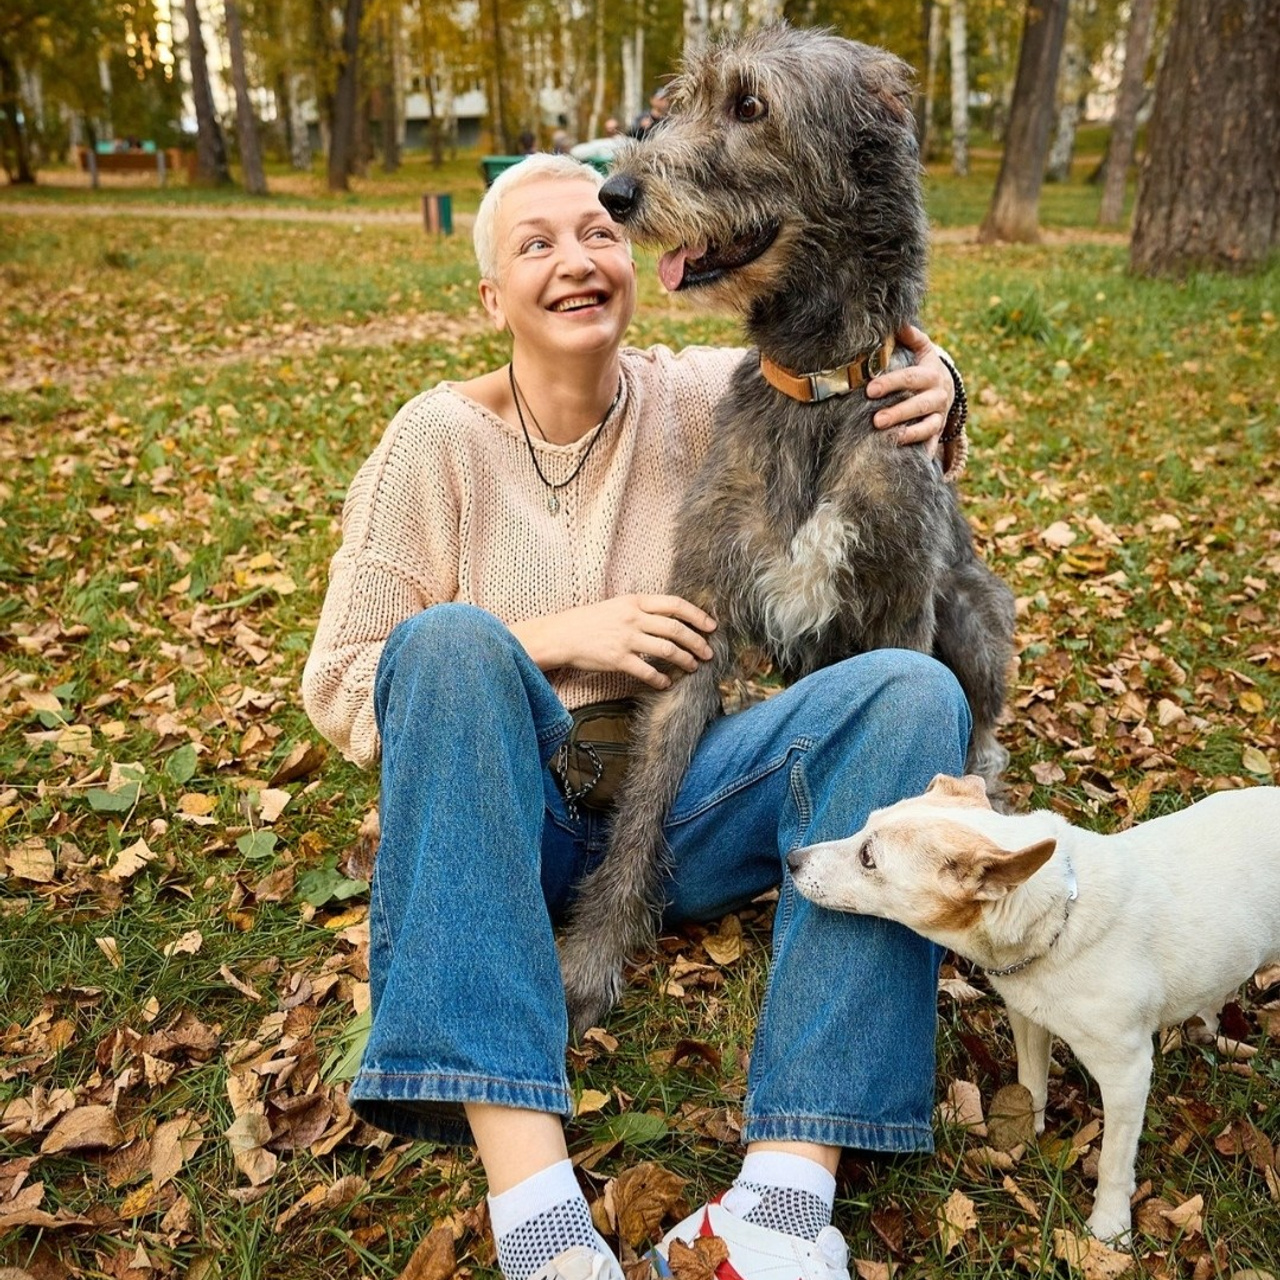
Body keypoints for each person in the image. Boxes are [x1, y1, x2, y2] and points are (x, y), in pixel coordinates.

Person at [302, 155, 973, 1280]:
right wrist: (558, 634)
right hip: (505, 828)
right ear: (490, 296)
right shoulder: (433, 439)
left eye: (597, 236)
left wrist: (939, 374)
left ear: (634, 262)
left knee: (914, 689)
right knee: (450, 642)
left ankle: (778, 1203)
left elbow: (846, 359)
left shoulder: (700, 391)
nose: (575, 261)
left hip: (684, 806)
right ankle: (539, 1216)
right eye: (535, 244)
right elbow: (342, 680)